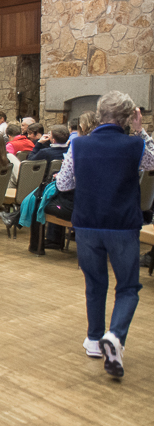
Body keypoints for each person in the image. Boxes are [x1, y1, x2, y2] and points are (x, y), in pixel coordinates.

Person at [56, 91, 154, 378]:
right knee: (127, 287)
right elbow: (152, 164)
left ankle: (95, 339)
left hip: (86, 224)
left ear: (99, 114)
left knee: (95, 283)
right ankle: (116, 335)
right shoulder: (135, 145)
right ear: (127, 117)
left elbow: (63, 184)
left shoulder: (79, 145)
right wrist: (142, 131)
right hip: (122, 225)